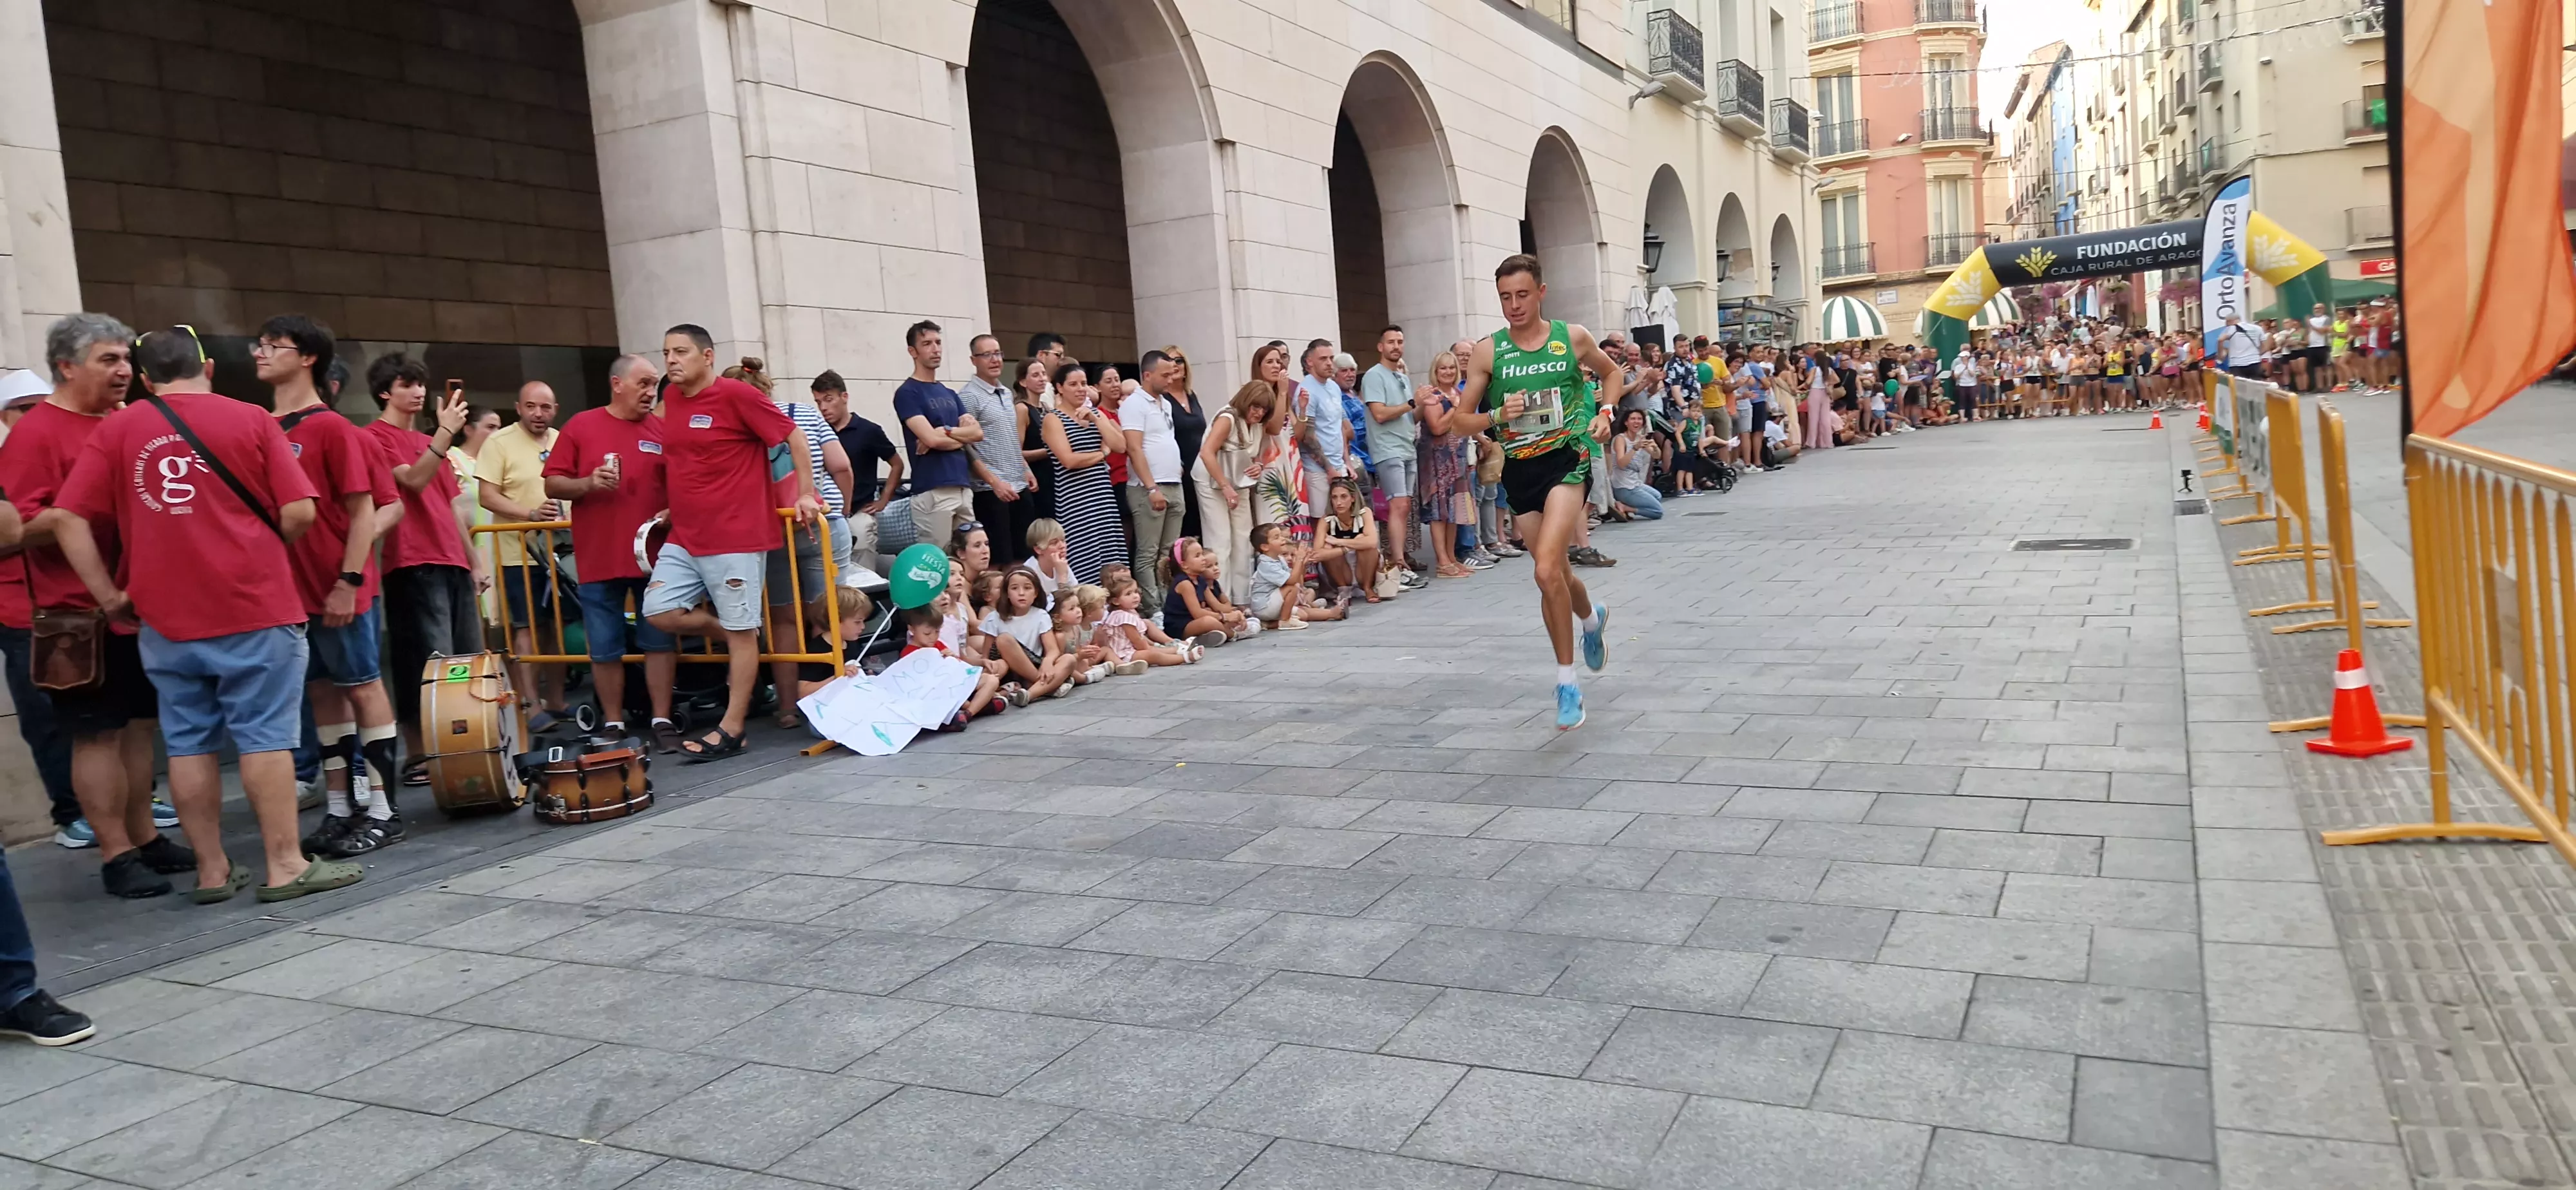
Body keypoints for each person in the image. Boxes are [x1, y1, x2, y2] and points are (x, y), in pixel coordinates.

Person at [54, 326, 362, 903]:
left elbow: (68, 517)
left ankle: (214, 872)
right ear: (209, 367)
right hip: (255, 607)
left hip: (164, 617)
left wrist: (109, 595)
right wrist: (260, 541)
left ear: (146, 380)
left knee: (189, 743)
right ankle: (284, 865)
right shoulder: (251, 419)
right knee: (265, 738)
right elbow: (299, 510)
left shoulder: (120, 427)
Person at [1, 313, 191, 896]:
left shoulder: (123, 422)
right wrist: (68, 521)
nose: (124, 371)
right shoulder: (36, 434)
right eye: (108, 360)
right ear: (66, 366)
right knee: (96, 734)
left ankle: (145, 837)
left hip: (134, 607)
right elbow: (14, 531)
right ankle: (115, 853)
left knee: (137, 728)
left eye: (126, 360)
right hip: (72, 616)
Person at [1447, 254, 1618, 731]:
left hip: (1566, 461)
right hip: (1519, 472)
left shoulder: (1571, 338)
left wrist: (1605, 414)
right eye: (1505, 297)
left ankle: (1567, 683)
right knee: (1557, 574)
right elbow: (1458, 421)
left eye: (1523, 295)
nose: (1514, 305)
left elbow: (1612, 374)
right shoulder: (1488, 352)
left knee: (1544, 570)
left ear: (1541, 292)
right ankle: (1591, 618)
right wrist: (1497, 417)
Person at [260, 315, 406, 859]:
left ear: (307, 359)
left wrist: (348, 579)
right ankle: (342, 807)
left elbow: (373, 507)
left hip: (339, 588)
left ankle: (385, 811)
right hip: (292, 593)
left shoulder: (331, 429)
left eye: (275, 345)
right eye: (261, 344)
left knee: (364, 685)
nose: (261, 352)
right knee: (322, 695)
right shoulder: (261, 426)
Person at [645, 323, 823, 762]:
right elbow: (685, 462)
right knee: (658, 610)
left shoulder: (737, 395)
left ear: (706, 356)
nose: (670, 360)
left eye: (681, 351)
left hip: (736, 536)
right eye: (666, 352)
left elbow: (793, 437)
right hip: (686, 535)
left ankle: (732, 727)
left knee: (744, 632)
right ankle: (728, 629)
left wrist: (805, 493)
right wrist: (672, 506)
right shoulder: (671, 399)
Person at [544, 354, 681, 753]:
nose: (650, 391)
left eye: (654, 384)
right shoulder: (581, 425)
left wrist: (675, 510)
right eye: (643, 383)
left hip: (654, 555)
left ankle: (662, 719)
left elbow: (683, 484)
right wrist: (587, 483)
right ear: (617, 383)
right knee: (604, 646)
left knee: (659, 640)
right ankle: (614, 722)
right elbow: (553, 484)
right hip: (599, 556)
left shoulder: (662, 430)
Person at [362, 355, 482, 792]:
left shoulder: (432, 441)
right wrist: (445, 434)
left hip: (449, 558)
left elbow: (450, 505)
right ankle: (421, 754)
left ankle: (463, 748)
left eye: (419, 385)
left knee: (466, 661)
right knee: (429, 662)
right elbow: (411, 481)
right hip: (410, 560)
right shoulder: (374, 436)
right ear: (383, 392)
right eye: (406, 384)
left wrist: (475, 561)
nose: (416, 392)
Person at [475, 381, 567, 731]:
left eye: (545, 408)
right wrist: (529, 514)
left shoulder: (562, 439)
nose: (538, 414)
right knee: (526, 628)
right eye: (531, 406)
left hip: (560, 552)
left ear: (555, 410)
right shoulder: (499, 443)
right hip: (518, 554)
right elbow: (488, 496)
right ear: (518, 407)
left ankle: (557, 701)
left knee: (558, 627)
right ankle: (529, 704)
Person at [892, 321, 982, 550]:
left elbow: (978, 433)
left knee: (968, 558)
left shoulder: (950, 393)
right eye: (927, 344)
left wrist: (947, 431)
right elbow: (931, 440)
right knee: (939, 563)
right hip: (933, 489)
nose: (936, 349)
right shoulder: (907, 393)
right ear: (913, 351)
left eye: (938, 342)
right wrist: (958, 438)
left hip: (962, 486)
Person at [1038, 363, 1126, 583]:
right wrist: (1101, 454)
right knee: (1084, 560)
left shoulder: (1095, 414)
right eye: (1073, 384)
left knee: (1111, 560)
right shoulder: (1053, 419)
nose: (1080, 389)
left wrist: (1096, 419)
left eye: (1084, 384)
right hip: (1076, 501)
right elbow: (1068, 460)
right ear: (1059, 388)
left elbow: (1120, 445)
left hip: (1103, 497)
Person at [1119, 349, 1189, 616]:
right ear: (1147, 375)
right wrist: (1151, 488)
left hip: (1173, 482)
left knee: (1169, 553)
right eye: (1165, 375)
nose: (1170, 380)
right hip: (1148, 487)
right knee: (1148, 552)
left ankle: (1169, 602)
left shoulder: (1165, 403)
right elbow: (1134, 449)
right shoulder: (1134, 404)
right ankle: (1153, 608)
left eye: (1172, 374)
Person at [958, 334, 1035, 562]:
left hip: (1018, 484)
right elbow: (966, 446)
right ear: (974, 360)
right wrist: (994, 482)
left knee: (1025, 555)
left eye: (998, 353)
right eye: (987, 355)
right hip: (991, 490)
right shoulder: (968, 396)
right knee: (999, 561)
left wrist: (1026, 468)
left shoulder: (1005, 392)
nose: (995, 360)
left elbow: (1009, 437)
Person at [1196, 380, 1275, 601]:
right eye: (1256, 407)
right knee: (1220, 540)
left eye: (1264, 409)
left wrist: (1258, 465)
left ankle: (1243, 599)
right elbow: (1206, 453)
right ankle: (1222, 599)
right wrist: (1225, 486)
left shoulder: (1259, 424)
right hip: (1211, 482)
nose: (1259, 413)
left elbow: (1261, 451)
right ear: (1246, 401)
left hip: (1239, 481)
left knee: (1243, 537)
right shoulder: (1228, 418)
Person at [813, 370, 902, 565]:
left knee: (863, 564)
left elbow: (897, 464)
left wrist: (884, 500)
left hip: (860, 511)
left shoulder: (868, 430)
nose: (824, 408)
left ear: (844, 397)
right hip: (828, 513)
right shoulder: (818, 432)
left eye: (828, 400)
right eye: (818, 402)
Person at [1359, 326, 1418, 575]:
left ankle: (1400, 558)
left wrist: (1424, 403)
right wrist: (1412, 404)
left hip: (1407, 447)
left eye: (1400, 341)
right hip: (1387, 448)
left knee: (1404, 506)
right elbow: (1380, 414)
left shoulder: (1403, 378)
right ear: (1380, 347)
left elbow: (1412, 417)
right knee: (1399, 504)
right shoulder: (1374, 376)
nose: (1396, 346)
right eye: (1391, 342)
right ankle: (1398, 562)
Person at [1415, 350, 1476, 579]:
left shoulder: (1458, 392)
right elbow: (1437, 428)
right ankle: (1442, 562)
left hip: (1457, 457)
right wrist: (1457, 408)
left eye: (1452, 367)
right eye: (1443, 368)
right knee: (1439, 511)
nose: (1448, 372)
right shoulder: (1435, 395)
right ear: (1436, 371)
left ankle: (1451, 558)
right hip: (1437, 460)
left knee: (1454, 510)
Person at [1293, 340, 1352, 525]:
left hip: (1338, 465)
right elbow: (1308, 437)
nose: (1329, 363)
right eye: (1323, 359)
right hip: (1317, 470)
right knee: (1322, 523)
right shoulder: (1307, 390)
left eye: (1331, 358)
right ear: (1310, 362)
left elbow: (1338, 426)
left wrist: (1346, 461)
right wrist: (1329, 468)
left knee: (1344, 520)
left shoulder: (1334, 386)